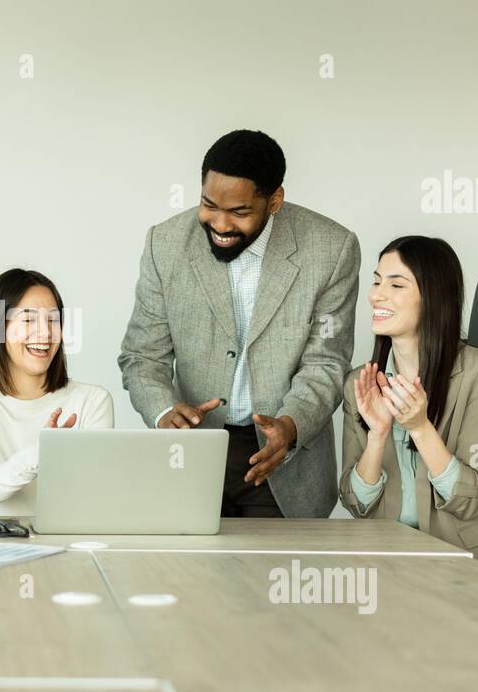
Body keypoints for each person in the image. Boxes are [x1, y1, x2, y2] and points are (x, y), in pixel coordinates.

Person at [118, 129, 359, 518]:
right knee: (190, 579)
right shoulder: (164, 244)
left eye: (240, 212)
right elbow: (142, 355)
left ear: (275, 200)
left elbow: (327, 361)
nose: (220, 223)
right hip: (192, 455)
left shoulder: (332, 249)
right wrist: (163, 410)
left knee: (272, 579)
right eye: (209, 204)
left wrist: (291, 425)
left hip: (282, 462)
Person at [339, 235, 478, 579]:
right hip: (391, 564)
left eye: (396, 285)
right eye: (376, 281)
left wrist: (420, 427)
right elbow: (357, 504)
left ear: (433, 298)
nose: (376, 295)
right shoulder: (363, 383)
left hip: (476, 564)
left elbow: (472, 499)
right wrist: (378, 436)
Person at [0, 268, 114, 517]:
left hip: (65, 547)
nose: (45, 333)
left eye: (53, 320)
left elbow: (92, 504)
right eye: (28, 320)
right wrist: (39, 453)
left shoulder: (91, 401)